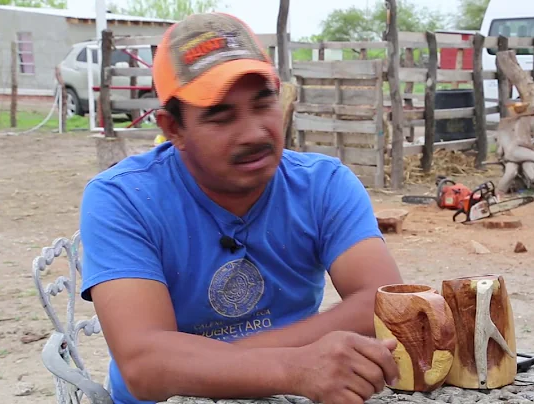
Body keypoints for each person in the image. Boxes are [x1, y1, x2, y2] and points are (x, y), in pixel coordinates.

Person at [79, 11, 403, 404]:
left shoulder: (323, 185)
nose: (253, 133)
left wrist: (216, 362)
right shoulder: (123, 198)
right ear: (173, 129)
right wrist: (294, 366)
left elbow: (384, 304)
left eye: (263, 105)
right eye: (221, 116)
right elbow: (145, 366)